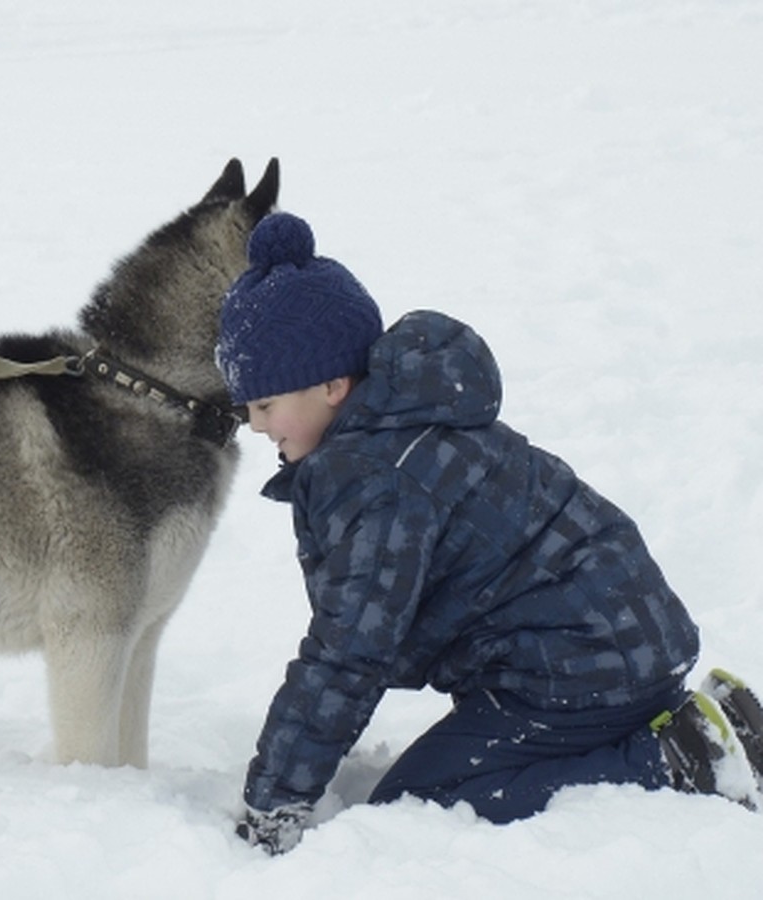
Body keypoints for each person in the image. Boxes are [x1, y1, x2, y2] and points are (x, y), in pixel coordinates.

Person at [215, 212, 763, 856]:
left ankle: (676, 760)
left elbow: (347, 654)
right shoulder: (404, 421)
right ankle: (678, 727)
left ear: (333, 385)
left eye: (265, 405)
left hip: (581, 667)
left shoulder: (376, 479)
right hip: (617, 642)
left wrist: (275, 801)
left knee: (421, 808)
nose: (255, 426)